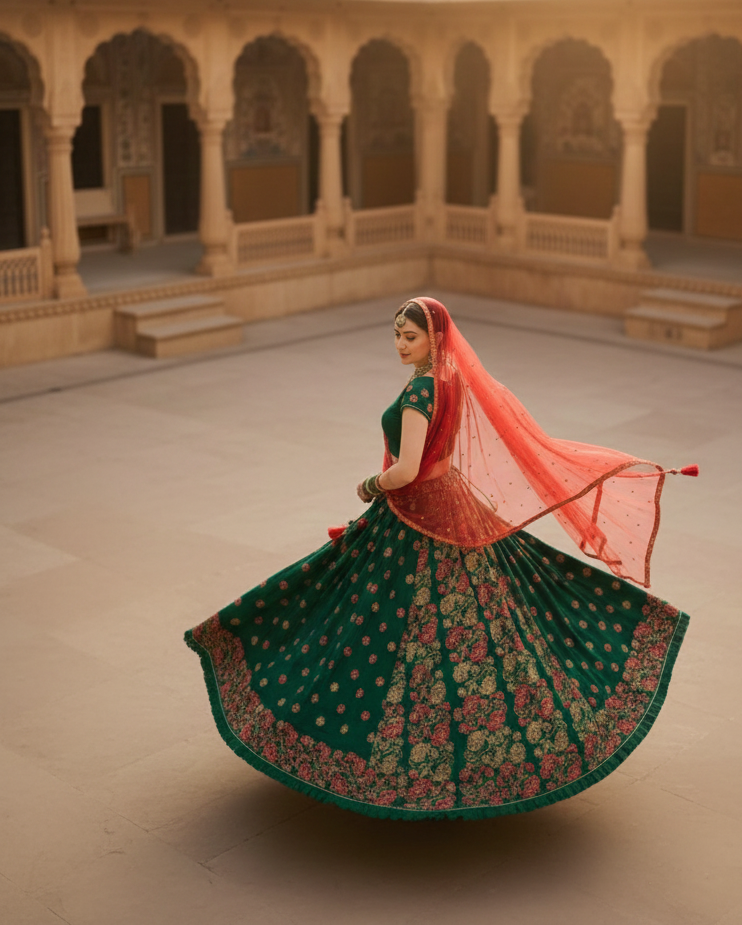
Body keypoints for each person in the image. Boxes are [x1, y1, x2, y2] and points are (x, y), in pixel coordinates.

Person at [185, 297, 692, 820]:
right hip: (449, 503)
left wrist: (367, 485)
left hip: (416, 515)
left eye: (411, 337)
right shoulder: (449, 381)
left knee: (385, 619)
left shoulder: (421, 392)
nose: (401, 345)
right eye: (397, 335)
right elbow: (442, 458)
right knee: (477, 622)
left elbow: (405, 472)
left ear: (434, 339)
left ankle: (398, 760)